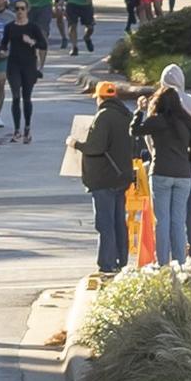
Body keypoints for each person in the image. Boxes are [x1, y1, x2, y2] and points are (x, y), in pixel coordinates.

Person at [143, 65, 191, 265]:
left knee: (162, 219)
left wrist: (156, 151)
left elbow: (147, 134)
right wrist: (188, 150)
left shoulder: (157, 101)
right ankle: (186, 257)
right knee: (184, 214)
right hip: (184, 165)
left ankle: (162, 261)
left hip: (161, 164)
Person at [77, 79, 141, 278]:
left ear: (100, 98)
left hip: (103, 178)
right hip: (121, 177)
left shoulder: (104, 116)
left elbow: (95, 147)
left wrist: (75, 144)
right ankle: (121, 261)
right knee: (117, 221)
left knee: (105, 223)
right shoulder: (125, 115)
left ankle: (106, 264)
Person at [0, 6, 45, 142]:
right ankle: (17, 129)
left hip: (29, 65)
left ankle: (27, 128)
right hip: (13, 65)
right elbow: (4, 43)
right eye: (17, 9)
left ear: (27, 11)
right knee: (16, 96)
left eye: (22, 9)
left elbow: (43, 45)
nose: (19, 11)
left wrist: (32, 42)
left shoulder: (33, 27)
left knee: (26, 97)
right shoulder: (9, 27)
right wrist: (2, 51)